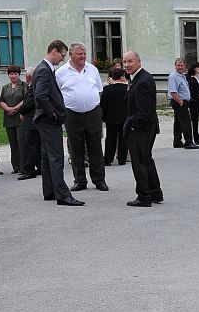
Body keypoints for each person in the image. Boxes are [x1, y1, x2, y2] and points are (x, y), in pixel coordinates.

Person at [34, 40, 84, 206]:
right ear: (54, 51)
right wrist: (53, 113)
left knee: (47, 157)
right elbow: (40, 95)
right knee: (56, 157)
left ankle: (49, 191)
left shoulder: (45, 68)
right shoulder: (43, 69)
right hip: (48, 120)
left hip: (44, 119)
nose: (62, 59)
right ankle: (63, 195)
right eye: (62, 55)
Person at [56, 43, 109, 191]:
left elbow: (99, 90)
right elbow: (57, 94)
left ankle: (99, 180)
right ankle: (80, 181)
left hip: (93, 113)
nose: (83, 56)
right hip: (72, 114)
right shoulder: (61, 72)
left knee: (96, 147)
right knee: (76, 148)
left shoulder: (92, 69)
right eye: (80, 54)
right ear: (71, 55)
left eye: (84, 54)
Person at [123, 51, 163, 207]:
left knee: (139, 162)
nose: (127, 65)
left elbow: (143, 111)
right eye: (125, 62)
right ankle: (155, 193)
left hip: (141, 129)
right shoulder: (137, 78)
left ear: (138, 62)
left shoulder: (143, 80)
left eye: (130, 61)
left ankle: (144, 196)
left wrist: (133, 126)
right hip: (145, 127)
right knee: (146, 160)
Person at [0, 65, 27, 174]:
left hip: (20, 117)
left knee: (21, 142)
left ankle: (24, 166)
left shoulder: (24, 86)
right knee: (13, 143)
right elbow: (1, 100)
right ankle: (15, 166)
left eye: (15, 73)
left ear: (19, 74)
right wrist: (7, 108)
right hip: (9, 118)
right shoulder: (5, 87)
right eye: (11, 74)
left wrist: (15, 108)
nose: (13, 76)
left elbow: (26, 99)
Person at [168, 58, 199, 149]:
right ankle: (189, 142)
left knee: (178, 122)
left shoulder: (182, 75)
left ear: (184, 66)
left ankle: (177, 141)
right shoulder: (173, 76)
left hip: (182, 101)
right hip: (179, 101)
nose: (180, 67)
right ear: (175, 65)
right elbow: (173, 92)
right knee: (186, 122)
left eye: (182, 65)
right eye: (178, 65)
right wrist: (181, 102)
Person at [101, 67, 129, 166]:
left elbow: (103, 105)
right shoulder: (126, 89)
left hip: (111, 118)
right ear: (122, 77)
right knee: (123, 139)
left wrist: (103, 117)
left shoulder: (107, 89)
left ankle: (108, 159)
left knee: (110, 139)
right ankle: (122, 159)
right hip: (124, 117)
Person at [17, 67, 40, 180]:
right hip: (33, 119)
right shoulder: (32, 86)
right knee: (36, 145)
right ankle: (39, 167)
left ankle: (28, 170)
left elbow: (29, 102)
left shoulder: (33, 87)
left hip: (32, 119)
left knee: (29, 145)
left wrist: (21, 111)